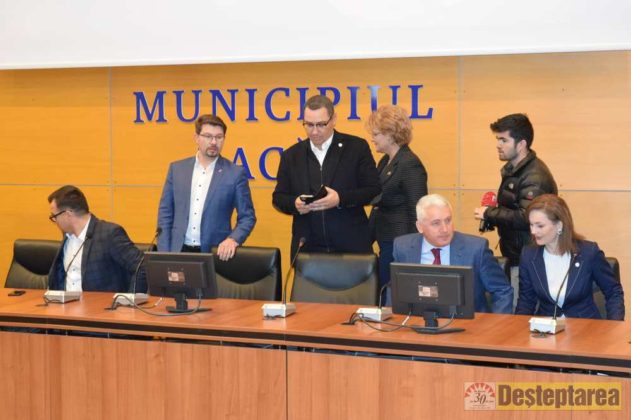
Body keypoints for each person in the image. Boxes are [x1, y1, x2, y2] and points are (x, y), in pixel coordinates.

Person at [272, 95, 381, 256]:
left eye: (321, 124)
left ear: (333, 119)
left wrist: (340, 199)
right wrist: (295, 204)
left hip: (351, 246)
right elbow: (278, 198)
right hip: (308, 247)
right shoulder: (291, 155)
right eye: (309, 125)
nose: (315, 131)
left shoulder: (356, 148)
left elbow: (373, 190)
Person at [473, 113, 557, 300]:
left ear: (521, 144)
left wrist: (489, 213)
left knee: (521, 312)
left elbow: (526, 217)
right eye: (498, 139)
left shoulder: (535, 176)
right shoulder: (516, 170)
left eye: (504, 140)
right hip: (517, 255)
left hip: (529, 259)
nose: (498, 145)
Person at [157, 114, 256, 260]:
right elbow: (165, 214)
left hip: (214, 253)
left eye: (219, 137)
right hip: (177, 250)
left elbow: (247, 217)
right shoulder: (177, 169)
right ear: (196, 138)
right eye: (208, 136)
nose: (214, 142)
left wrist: (233, 239)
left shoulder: (235, 173)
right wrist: (163, 254)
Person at [394, 194, 513, 313]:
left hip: (467, 321)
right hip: (418, 320)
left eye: (448, 220)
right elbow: (395, 290)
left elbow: (502, 291)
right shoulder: (403, 248)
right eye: (436, 223)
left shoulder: (476, 249)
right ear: (420, 227)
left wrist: (495, 323)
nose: (445, 229)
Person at [515, 194, 624, 320]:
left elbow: (613, 292)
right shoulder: (528, 255)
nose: (533, 231)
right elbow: (526, 301)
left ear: (559, 225)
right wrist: (518, 327)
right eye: (531, 225)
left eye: (540, 226)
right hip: (545, 328)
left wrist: (614, 326)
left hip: (585, 326)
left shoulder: (588, 252)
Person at [365, 105, 428, 297]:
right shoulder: (385, 161)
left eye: (376, 134)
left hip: (400, 245)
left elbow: (417, 212)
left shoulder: (410, 163)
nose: (372, 138)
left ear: (390, 134)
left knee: (393, 297)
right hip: (386, 241)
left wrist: (411, 250)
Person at [47, 185, 145, 292]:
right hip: (66, 302)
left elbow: (141, 267)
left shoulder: (109, 234)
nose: (55, 221)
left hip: (101, 302)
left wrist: (129, 299)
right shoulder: (67, 237)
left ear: (67, 214)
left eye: (54, 216)